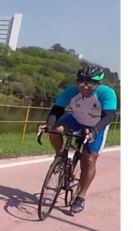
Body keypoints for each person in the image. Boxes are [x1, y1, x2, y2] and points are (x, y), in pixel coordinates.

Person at [38, 63, 118, 214]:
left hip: (97, 125)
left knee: (89, 160)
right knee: (55, 130)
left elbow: (108, 116)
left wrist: (95, 131)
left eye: (89, 83)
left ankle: (81, 196)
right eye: (81, 83)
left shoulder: (106, 93)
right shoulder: (71, 91)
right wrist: (48, 124)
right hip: (75, 120)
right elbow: (57, 109)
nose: (85, 86)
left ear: (97, 84)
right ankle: (60, 157)